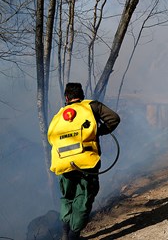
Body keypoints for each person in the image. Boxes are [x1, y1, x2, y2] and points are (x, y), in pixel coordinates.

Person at [47, 83, 120, 240]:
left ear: (66, 98)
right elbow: (114, 119)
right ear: (82, 95)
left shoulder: (59, 115)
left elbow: (51, 138)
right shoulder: (91, 106)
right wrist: (98, 132)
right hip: (86, 162)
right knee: (84, 198)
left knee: (67, 198)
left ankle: (65, 235)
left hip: (62, 164)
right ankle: (74, 236)